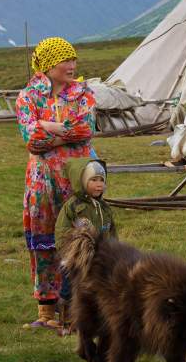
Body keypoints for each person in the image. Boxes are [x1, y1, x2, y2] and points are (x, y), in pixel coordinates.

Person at [16, 37, 96, 330]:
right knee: (43, 241)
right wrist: (64, 132)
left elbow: (86, 129)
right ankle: (46, 311)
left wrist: (48, 127)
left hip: (75, 178)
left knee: (79, 239)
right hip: (42, 182)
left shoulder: (83, 95)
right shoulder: (28, 97)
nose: (72, 66)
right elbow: (31, 140)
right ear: (49, 65)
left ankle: (77, 310)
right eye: (66, 60)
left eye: (74, 60)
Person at [54, 158, 116, 332]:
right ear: (82, 181)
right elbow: (61, 231)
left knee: (94, 290)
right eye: (93, 180)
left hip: (99, 259)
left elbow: (112, 232)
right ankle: (66, 321)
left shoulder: (104, 208)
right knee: (69, 289)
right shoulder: (72, 206)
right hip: (75, 259)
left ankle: (90, 322)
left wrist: (114, 251)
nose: (98, 185)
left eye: (101, 180)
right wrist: (71, 252)